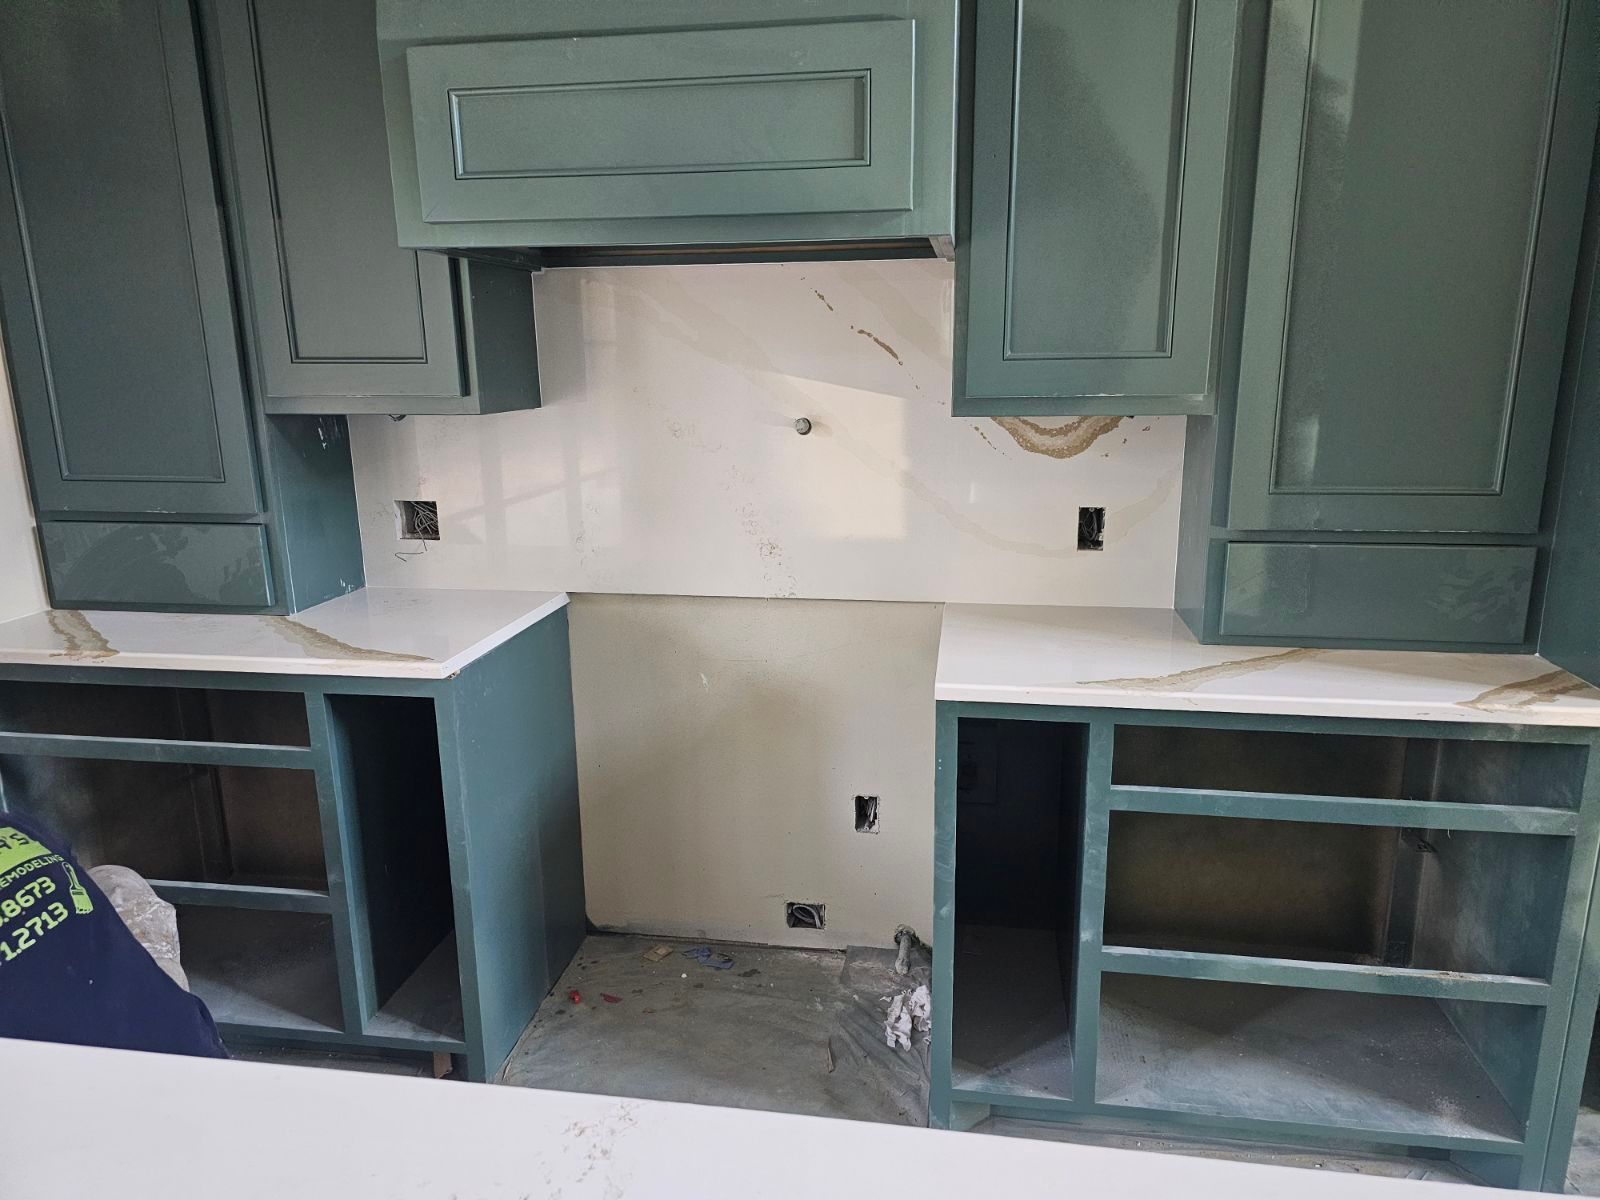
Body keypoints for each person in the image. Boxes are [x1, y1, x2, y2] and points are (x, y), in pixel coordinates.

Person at [0, 813, 226, 1058]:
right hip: (189, 1046)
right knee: (114, 879)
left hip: (84, 1079)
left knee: (112, 879)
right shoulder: (19, 827)